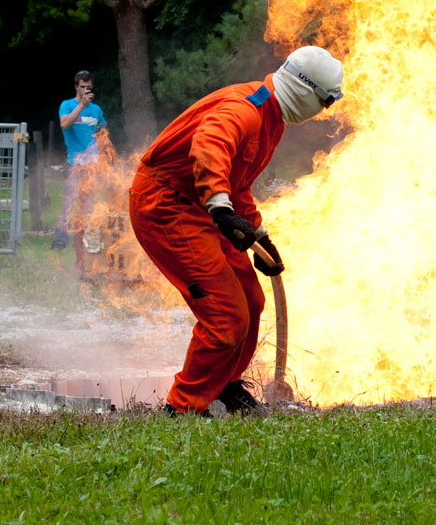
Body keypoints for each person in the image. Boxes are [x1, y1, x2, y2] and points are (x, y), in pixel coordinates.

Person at [129, 46, 344, 417]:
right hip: (167, 205)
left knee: (252, 300)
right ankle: (182, 409)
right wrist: (220, 209)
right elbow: (209, 146)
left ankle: (225, 385)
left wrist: (258, 234)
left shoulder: (270, 118)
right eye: (325, 103)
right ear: (307, 92)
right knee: (227, 317)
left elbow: (237, 180)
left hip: (202, 206)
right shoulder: (244, 110)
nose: (323, 112)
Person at [53, 70, 109, 275]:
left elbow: (103, 131)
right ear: (76, 86)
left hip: (92, 166)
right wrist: (81, 106)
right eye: (83, 87)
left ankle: (83, 252)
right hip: (75, 164)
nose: (86, 90)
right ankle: (58, 244)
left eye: (89, 87)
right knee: (68, 204)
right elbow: (65, 124)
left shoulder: (96, 110)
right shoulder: (67, 105)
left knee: (87, 210)